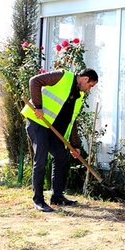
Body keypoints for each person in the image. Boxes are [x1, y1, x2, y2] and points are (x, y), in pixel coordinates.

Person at [21, 68, 98, 212]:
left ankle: (57, 196)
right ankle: (38, 200)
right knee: (41, 159)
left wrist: (75, 145)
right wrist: (38, 107)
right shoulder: (62, 76)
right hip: (38, 122)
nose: (89, 90)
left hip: (52, 130)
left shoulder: (79, 95)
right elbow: (34, 81)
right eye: (91, 85)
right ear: (85, 79)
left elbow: (72, 121)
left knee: (61, 157)